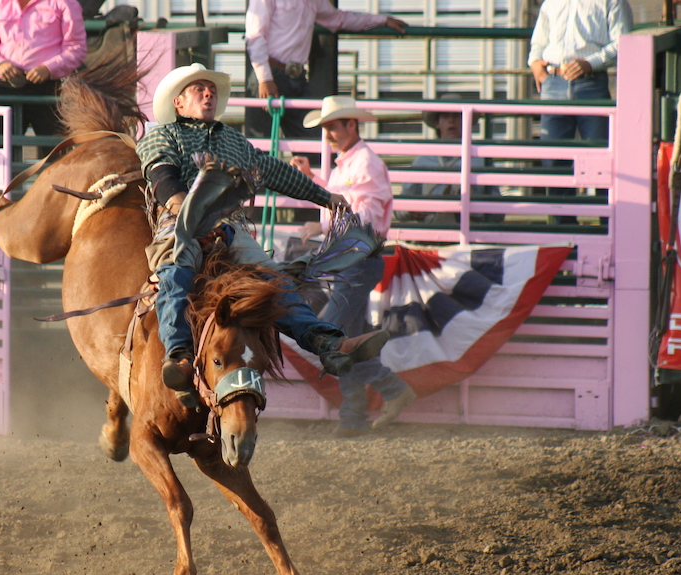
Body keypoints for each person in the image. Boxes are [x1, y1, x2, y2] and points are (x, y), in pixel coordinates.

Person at [135, 64, 390, 407]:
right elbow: (164, 181)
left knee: (273, 282)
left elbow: (274, 171)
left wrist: (325, 197)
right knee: (176, 272)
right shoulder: (162, 136)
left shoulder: (234, 142)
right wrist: (194, 219)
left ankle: (327, 343)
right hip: (179, 225)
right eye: (198, 89)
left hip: (231, 228)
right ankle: (179, 354)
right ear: (179, 103)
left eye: (211, 89)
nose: (208, 93)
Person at [291, 95, 414, 435]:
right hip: (353, 262)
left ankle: (392, 391)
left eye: (333, 125)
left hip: (356, 261)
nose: (328, 132)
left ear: (351, 125)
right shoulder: (351, 163)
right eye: (327, 127)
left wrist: (324, 226)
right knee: (346, 340)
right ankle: (353, 415)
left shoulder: (365, 164)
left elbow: (368, 220)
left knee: (328, 337)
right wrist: (313, 179)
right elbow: (350, 205)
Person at [528, 0, 632, 224]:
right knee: (554, 161)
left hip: (590, 81)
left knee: (602, 157)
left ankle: (608, 226)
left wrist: (590, 63)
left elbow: (624, 43)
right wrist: (535, 62)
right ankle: (563, 230)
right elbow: (538, 42)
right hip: (555, 79)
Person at [244, 0, 407, 140]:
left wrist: (381, 20)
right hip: (271, 76)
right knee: (259, 146)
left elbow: (339, 18)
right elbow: (255, 36)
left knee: (313, 144)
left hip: (294, 77)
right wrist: (265, 78)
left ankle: (311, 174)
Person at [0, 0, 87, 140]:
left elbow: (77, 48)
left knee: (57, 153)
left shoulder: (64, 3)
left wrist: (49, 68)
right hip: (8, 87)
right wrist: (0, 64)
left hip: (48, 89)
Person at [395, 94, 504, 225]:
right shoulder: (423, 161)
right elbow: (400, 208)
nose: (451, 121)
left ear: (465, 122)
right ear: (437, 123)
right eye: (446, 116)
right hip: (431, 236)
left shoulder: (481, 161)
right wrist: (411, 212)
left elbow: (498, 212)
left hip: (472, 233)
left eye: (457, 116)